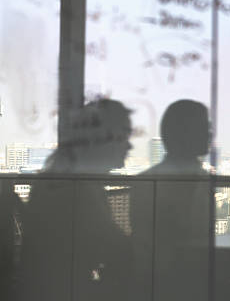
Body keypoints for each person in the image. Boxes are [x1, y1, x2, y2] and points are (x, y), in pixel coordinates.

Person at [19, 99, 134, 301]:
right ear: (100, 138)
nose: (129, 144)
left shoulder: (67, 179)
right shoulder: (78, 189)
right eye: (123, 135)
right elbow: (118, 249)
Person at [131, 100, 212, 301]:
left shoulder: (150, 180)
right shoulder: (157, 182)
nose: (210, 134)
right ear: (184, 133)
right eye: (204, 127)